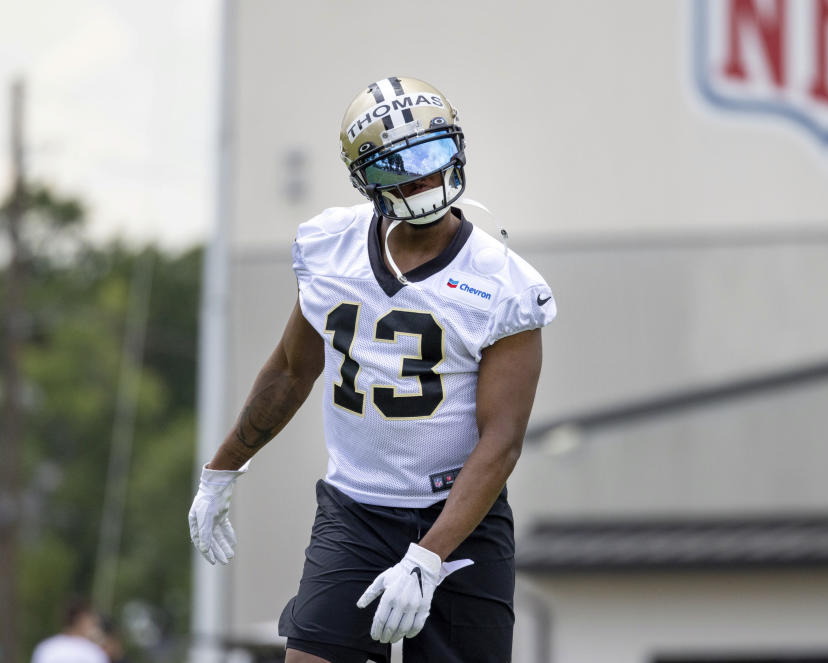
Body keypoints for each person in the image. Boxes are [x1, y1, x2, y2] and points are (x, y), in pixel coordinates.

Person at [189, 76, 557, 663]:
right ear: (365, 180)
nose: (421, 177)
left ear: (456, 149)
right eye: (395, 167)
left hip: (460, 516)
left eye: (432, 154)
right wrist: (221, 470)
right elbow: (291, 371)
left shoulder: (506, 285)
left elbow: (502, 441)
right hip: (355, 511)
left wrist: (429, 555)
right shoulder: (327, 246)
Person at [30, 598, 109, 663]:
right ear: (81, 620)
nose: (93, 624)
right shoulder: (93, 652)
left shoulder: (45, 648)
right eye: (91, 620)